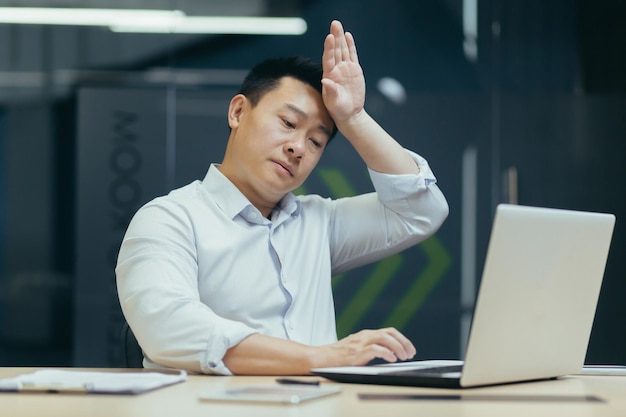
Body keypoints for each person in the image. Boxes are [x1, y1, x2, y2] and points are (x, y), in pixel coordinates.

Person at [116, 20, 449, 375]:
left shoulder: (320, 223)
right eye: (288, 123)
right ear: (238, 112)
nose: (297, 147)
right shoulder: (170, 218)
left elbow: (421, 211)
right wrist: (323, 357)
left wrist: (353, 118)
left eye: (316, 141)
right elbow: (168, 327)